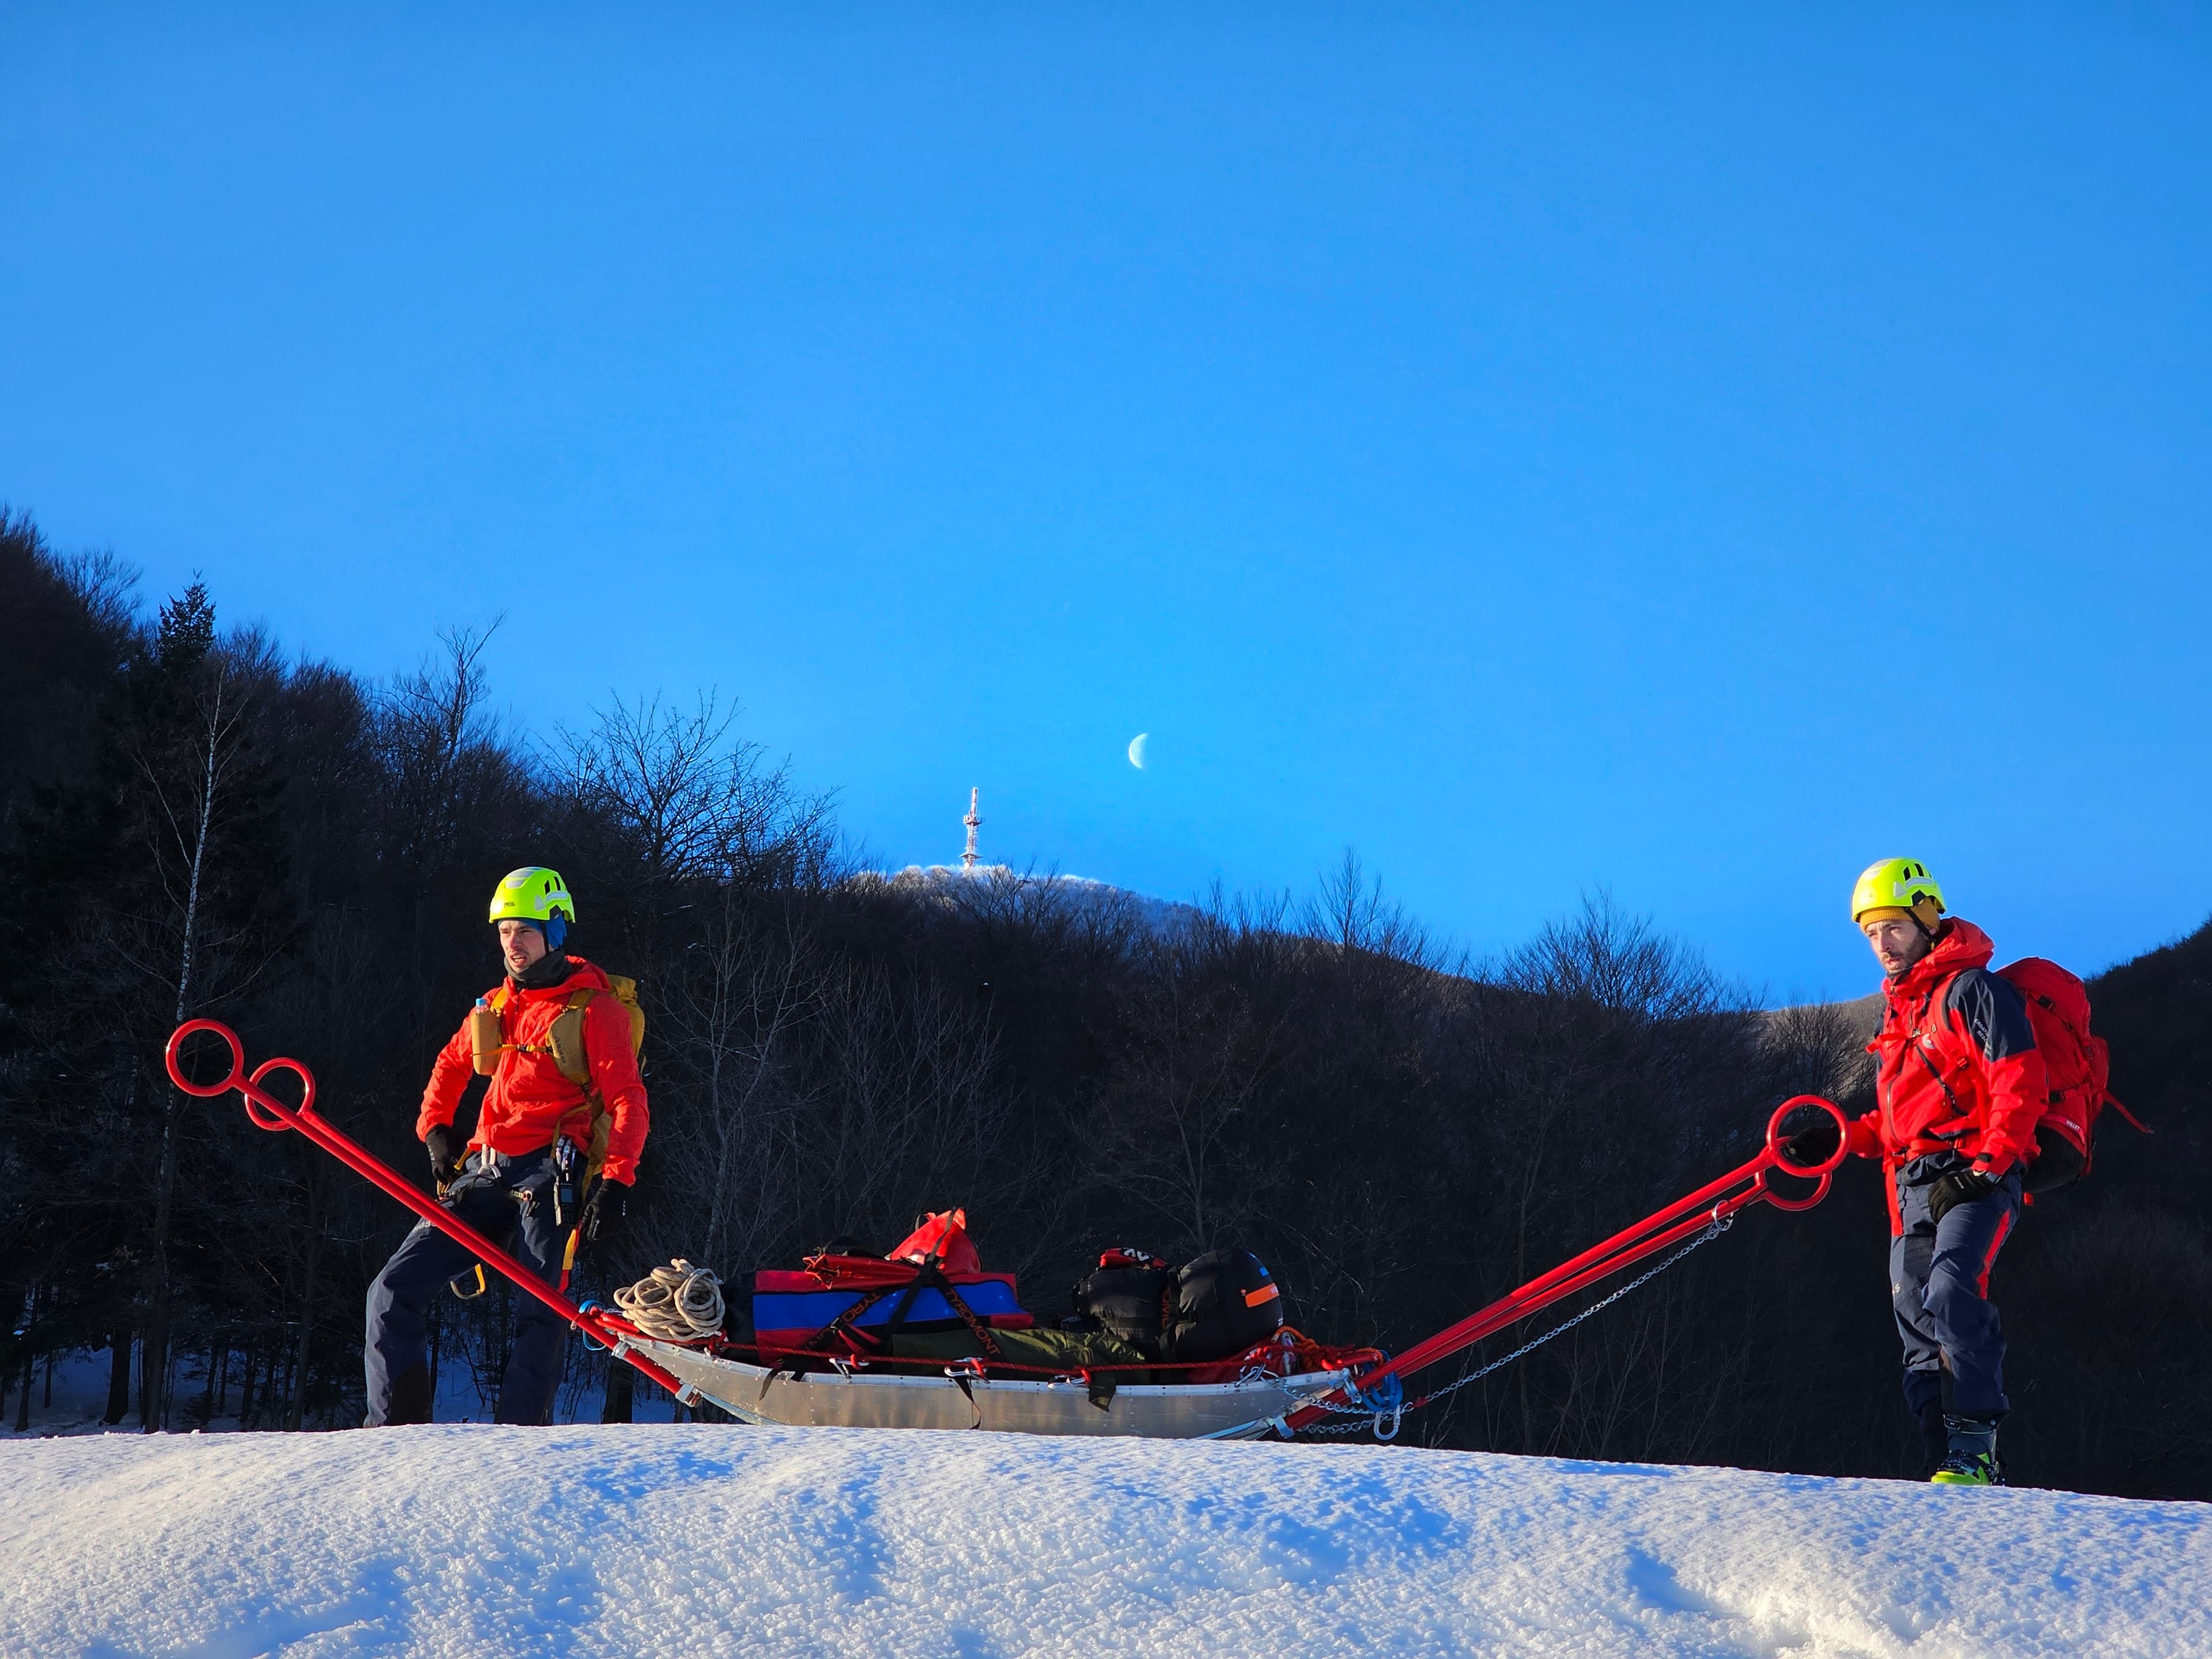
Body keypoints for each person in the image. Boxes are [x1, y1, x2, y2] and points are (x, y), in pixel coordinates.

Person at [363, 866, 648, 1426]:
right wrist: (436, 1130)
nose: (512, 944)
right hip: (484, 1175)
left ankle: (517, 1446)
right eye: (504, 932)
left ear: (555, 932)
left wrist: (616, 1181)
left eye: (525, 930)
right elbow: (449, 1065)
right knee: (391, 1292)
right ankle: (391, 1432)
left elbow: (629, 1101)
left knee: (539, 1310)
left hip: (551, 1177)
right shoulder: (496, 1005)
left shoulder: (596, 1011)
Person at [1796, 858, 2046, 1486]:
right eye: (1871, 933)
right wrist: (1842, 1138)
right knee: (1914, 1316)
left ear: (1928, 917)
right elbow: (1899, 1123)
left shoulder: (1972, 992)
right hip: (1912, 1184)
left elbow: (2020, 1082)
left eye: (1894, 928)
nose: (1883, 944)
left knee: (1952, 1289)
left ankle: (1975, 1454)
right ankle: (1940, 1461)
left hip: (1976, 1175)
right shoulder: (1900, 1013)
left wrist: (1988, 1168)